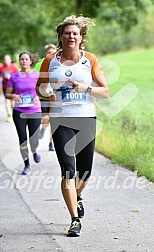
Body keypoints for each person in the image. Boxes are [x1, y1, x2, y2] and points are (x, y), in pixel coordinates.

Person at [36, 15, 109, 237]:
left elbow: (105, 91)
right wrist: (48, 94)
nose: (71, 36)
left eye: (75, 33)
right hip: (61, 120)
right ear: (60, 36)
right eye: (67, 33)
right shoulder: (50, 61)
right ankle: (74, 220)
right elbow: (40, 87)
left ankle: (77, 196)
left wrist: (85, 88)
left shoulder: (90, 60)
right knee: (68, 170)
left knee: (84, 173)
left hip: (86, 118)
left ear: (81, 37)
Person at [6, 51, 41, 175]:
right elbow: (7, 94)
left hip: (34, 111)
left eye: (26, 59)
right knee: (23, 140)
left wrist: (39, 97)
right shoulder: (14, 77)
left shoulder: (37, 75)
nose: (24, 61)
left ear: (31, 61)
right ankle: (26, 165)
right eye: (22, 59)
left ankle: (35, 150)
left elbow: (44, 91)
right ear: (19, 61)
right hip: (19, 112)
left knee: (34, 139)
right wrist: (13, 96)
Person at [34, 44, 57, 151]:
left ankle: (51, 143)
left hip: (56, 97)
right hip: (43, 95)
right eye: (49, 53)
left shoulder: (59, 63)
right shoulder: (40, 64)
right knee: (45, 119)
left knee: (54, 121)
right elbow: (34, 81)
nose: (51, 54)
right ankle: (43, 128)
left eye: (53, 52)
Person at [0, 55, 18, 122]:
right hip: (5, 87)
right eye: (5, 59)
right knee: (7, 100)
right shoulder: (1, 68)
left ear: (10, 60)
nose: (6, 61)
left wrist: (11, 77)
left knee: (13, 101)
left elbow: (18, 77)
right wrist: (0, 79)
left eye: (7, 59)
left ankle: (12, 110)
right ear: (3, 60)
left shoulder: (14, 67)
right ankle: (9, 115)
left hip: (13, 86)